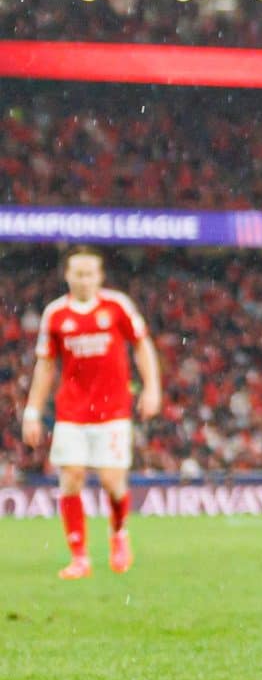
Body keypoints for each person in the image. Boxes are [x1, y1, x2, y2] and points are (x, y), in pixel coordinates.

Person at [20, 246, 161, 579]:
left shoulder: (116, 306)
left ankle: (118, 533)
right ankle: (79, 557)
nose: (84, 279)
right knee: (71, 478)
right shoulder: (55, 314)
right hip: (71, 411)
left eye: (89, 273)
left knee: (112, 481)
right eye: (78, 273)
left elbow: (142, 344)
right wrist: (32, 410)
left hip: (112, 410)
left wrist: (152, 387)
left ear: (99, 276)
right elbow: (46, 364)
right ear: (67, 275)